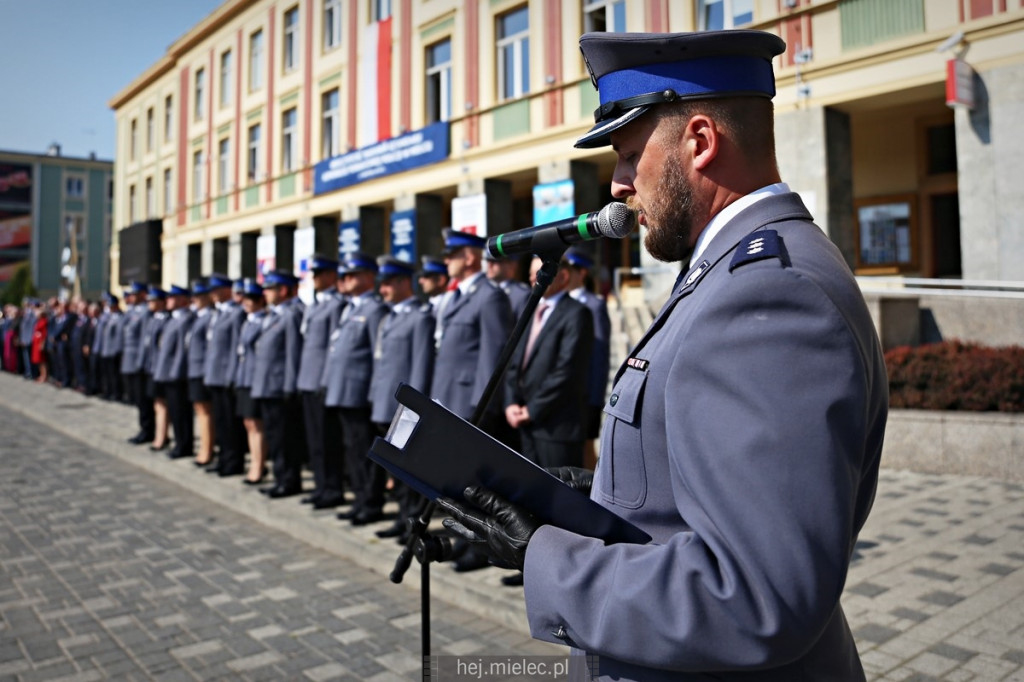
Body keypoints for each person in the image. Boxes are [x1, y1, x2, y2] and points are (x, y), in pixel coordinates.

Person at [439, 30, 888, 680]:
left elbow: (755, 597)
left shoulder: (767, 293)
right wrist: (593, 501)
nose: (617, 186)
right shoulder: (734, 268)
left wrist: (542, 553)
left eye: (627, 157)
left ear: (700, 143)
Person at [367, 256, 436, 540]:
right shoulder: (390, 316)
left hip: (405, 407)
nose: (382, 290)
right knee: (395, 467)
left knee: (410, 467)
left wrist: (415, 406)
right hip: (386, 402)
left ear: (403, 283)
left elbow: (420, 365)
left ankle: (413, 523)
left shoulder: (420, 317)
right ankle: (402, 517)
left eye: (386, 284)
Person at [504, 255, 593, 470]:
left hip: (556, 428)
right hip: (524, 424)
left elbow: (567, 371)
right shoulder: (530, 310)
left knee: (558, 497)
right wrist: (510, 403)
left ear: (562, 276)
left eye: (541, 275)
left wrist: (532, 409)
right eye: (531, 276)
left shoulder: (577, 313)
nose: (535, 280)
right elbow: (515, 361)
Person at [321, 252, 390, 525]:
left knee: (364, 450)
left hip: (361, 392)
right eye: (344, 276)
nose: (346, 280)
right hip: (344, 391)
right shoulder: (350, 308)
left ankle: (371, 502)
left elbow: (378, 355)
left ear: (369, 277)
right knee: (352, 447)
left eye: (352, 275)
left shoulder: (375, 309)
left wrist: (373, 391)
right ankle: (360, 499)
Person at [296, 255, 347, 509]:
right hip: (308, 380)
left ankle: (332, 488)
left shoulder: (336, 305)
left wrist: (325, 381)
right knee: (314, 439)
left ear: (330, 276)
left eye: (319, 274)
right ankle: (320, 486)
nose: (315, 279)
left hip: (321, 382)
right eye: (313, 275)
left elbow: (333, 348)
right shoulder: (315, 305)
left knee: (328, 441)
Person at [252, 270, 306, 498]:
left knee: (284, 438)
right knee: (274, 436)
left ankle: (288, 480)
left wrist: (289, 387)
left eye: (269, 289)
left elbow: (293, 354)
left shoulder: (291, 314)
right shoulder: (275, 314)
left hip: (279, 387)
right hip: (267, 385)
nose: (265, 293)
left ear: (282, 290)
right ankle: (279, 477)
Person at [564, 247, 612, 470]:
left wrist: (594, 400)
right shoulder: (560, 303)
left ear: (581, 273)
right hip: (564, 395)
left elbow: (599, 356)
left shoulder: (594, 305)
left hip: (584, 397)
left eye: (569, 269)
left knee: (585, 453)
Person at [203, 274, 247, 476]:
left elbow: (237, 347)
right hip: (215, 375)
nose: (213, 295)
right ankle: (223, 459)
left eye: (217, 290)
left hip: (226, 376)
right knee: (220, 421)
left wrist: (231, 375)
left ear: (228, 290)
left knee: (231, 423)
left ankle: (233, 461)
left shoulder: (236, 313)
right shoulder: (218, 313)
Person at [232, 279, 268, 485]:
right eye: (244, 299)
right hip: (245, 376)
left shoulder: (263, 320)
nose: (246, 303)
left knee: (256, 423)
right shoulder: (248, 320)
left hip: (255, 377)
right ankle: (255, 462)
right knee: (248, 422)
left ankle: (258, 465)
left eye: (250, 299)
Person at [153, 285, 195, 460]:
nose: (168, 300)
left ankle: (184, 444)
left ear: (182, 300)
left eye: (172, 297)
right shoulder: (173, 319)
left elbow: (182, 349)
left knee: (181, 411)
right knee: (175, 410)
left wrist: (176, 372)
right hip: (167, 371)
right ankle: (179, 442)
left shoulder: (185, 319)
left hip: (176, 374)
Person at [186, 280, 216, 468]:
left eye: (199, 296)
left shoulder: (209, 317)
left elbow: (210, 347)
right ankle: (204, 447)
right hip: (194, 368)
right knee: (199, 409)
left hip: (202, 369)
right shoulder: (196, 316)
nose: (195, 300)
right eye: (194, 296)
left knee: (205, 411)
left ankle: (207, 449)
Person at [121, 282, 154, 444]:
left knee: (143, 400)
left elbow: (144, 340)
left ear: (143, 295)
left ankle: (147, 430)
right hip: (130, 359)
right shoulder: (132, 311)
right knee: (137, 399)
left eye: (134, 294)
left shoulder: (146, 312)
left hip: (138, 362)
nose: (130, 297)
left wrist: (140, 362)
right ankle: (143, 428)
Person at [141, 286, 170, 451]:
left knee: (161, 403)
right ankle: (159, 434)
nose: (149, 303)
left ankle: (161, 436)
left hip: (160, 367)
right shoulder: (153, 318)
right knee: (156, 403)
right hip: (152, 366)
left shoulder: (165, 320)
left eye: (153, 300)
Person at [485, 253, 531, 320]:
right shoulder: (483, 290)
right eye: (488, 261)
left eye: (495, 261)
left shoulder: (522, 295)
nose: (489, 265)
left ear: (512, 264)